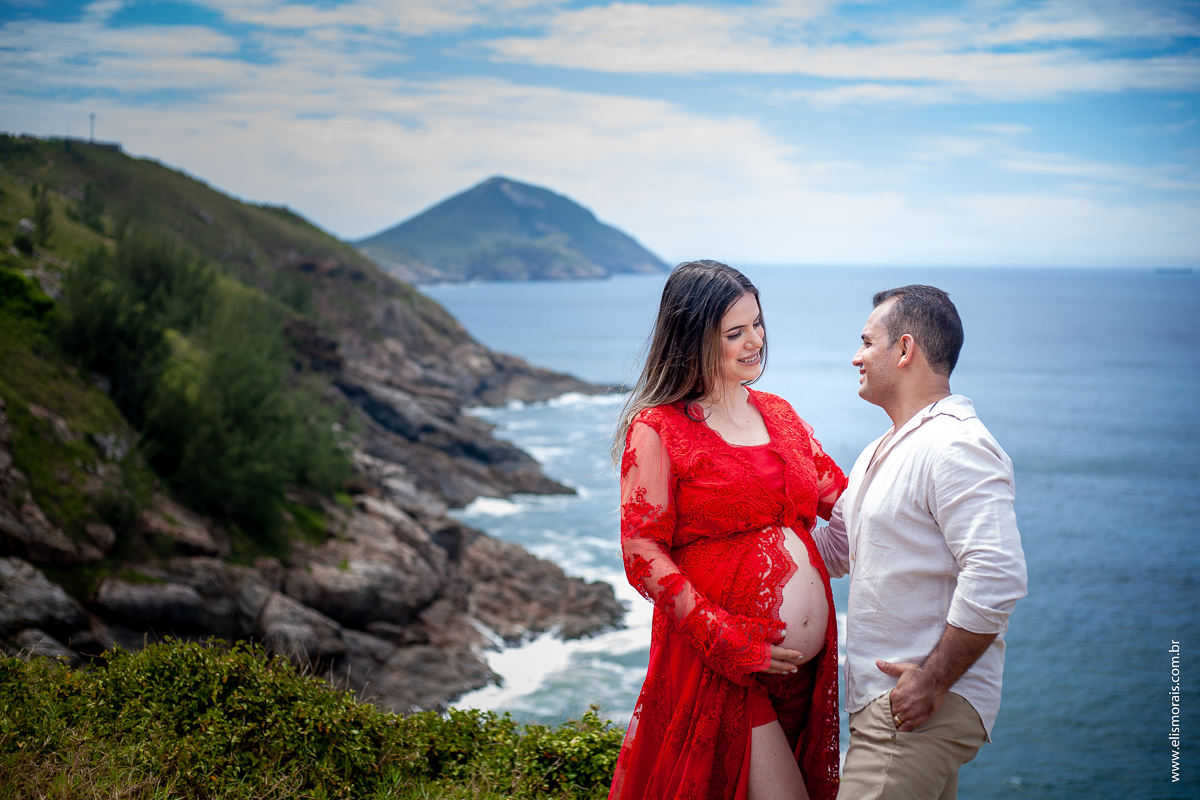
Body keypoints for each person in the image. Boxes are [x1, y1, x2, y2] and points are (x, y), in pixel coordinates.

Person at [609, 260, 847, 800]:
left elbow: (847, 499)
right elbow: (642, 550)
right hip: (723, 664)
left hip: (800, 676)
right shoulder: (658, 428)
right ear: (692, 340)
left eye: (758, 324)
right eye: (734, 333)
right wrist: (728, 639)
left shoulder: (779, 414)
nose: (755, 342)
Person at [812, 285, 1028, 800]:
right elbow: (838, 548)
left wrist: (932, 681)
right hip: (895, 705)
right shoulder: (879, 451)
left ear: (904, 350)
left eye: (867, 342)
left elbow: (998, 575)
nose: (855, 356)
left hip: (914, 707)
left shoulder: (956, 444)